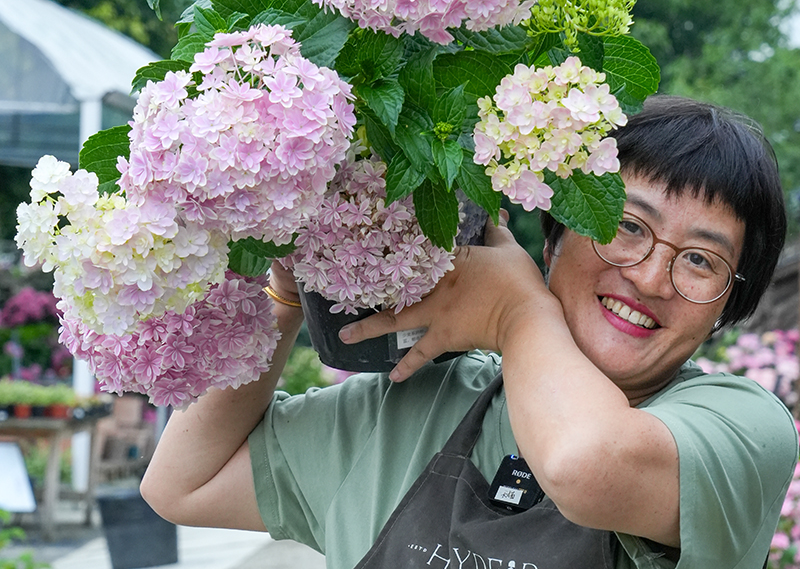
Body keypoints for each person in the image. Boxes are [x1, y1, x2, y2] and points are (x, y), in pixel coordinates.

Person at [140, 95, 798, 569]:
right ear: (555, 233)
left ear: (725, 308)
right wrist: (281, 287)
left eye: (701, 261)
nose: (653, 277)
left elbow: (583, 462)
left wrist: (517, 311)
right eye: (627, 225)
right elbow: (182, 484)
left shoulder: (740, 428)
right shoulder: (415, 403)